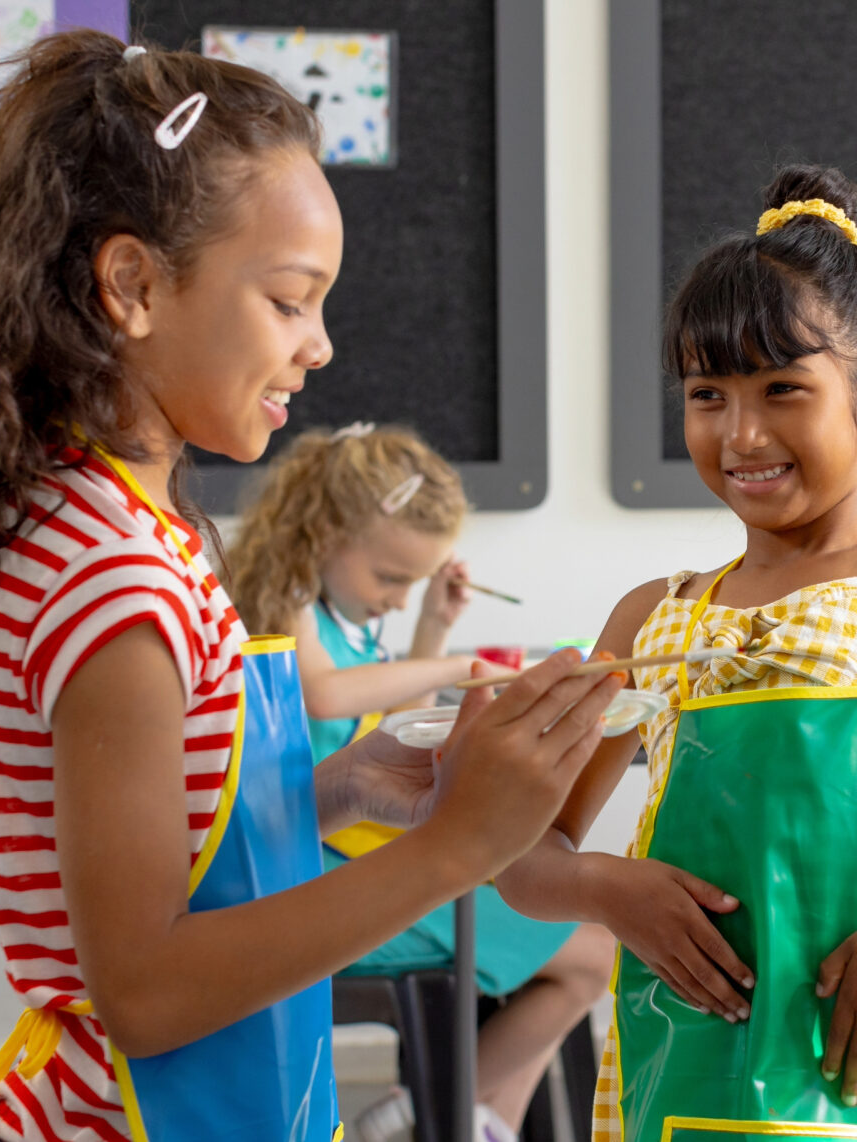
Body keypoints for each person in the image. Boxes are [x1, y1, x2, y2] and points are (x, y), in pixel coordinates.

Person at [0, 31, 622, 1142]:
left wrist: (347, 787)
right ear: (134, 285)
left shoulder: (122, 522)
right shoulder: (113, 578)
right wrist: (455, 848)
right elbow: (149, 987)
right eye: (289, 299)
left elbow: (178, 847)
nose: (318, 348)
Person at [493, 166, 857, 1142]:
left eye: (782, 389)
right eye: (707, 392)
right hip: (675, 1075)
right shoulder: (648, 617)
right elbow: (519, 856)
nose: (741, 431)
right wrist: (602, 886)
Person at [231, 423, 617, 1142]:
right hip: (312, 878)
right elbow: (325, 698)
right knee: (589, 951)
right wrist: (452, 669)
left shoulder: (354, 629)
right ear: (322, 535)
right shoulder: (287, 602)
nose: (396, 598)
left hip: (352, 858)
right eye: (390, 578)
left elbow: (381, 730)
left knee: (584, 943)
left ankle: (462, 1117)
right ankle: (436, 1111)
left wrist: (435, 628)